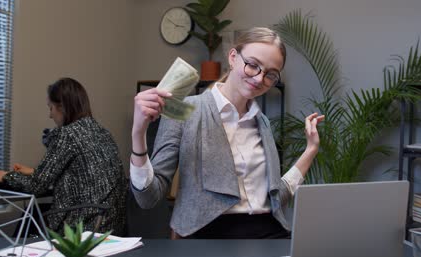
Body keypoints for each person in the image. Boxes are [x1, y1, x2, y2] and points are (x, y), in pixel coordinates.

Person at [130, 27, 324, 238]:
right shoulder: (187, 112)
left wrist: (311, 150)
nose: (259, 79)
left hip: (271, 234)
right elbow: (148, 198)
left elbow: (275, 198)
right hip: (209, 237)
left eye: (270, 74)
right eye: (252, 65)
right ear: (233, 57)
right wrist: (138, 132)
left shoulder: (263, 123)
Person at [0, 77, 127, 235]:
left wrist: (5, 176)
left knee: (31, 216)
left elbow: (36, 186)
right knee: (36, 212)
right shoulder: (101, 132)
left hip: (84, 227)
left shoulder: (68, 134)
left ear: (62, 107)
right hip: (111, 225)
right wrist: (34, 171)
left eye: (51, 108)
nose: (50, 115)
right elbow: (84, 174)